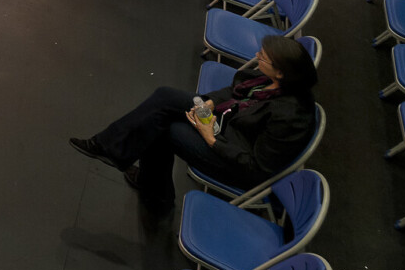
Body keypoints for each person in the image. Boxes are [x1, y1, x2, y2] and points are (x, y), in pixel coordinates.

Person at [68, 35, 318, 211]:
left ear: (281, 72)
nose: (256, 57)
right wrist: (210, 103)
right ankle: (108, 148)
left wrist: (210, 138)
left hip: (234, 158)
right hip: (227, 122)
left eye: (262, 57)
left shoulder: (290, 117)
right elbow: (235, 90)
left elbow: (256, 166)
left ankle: (155, 196)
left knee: (166, 129)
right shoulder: (270, 80)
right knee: (165, 96)